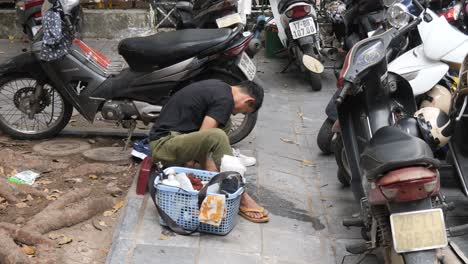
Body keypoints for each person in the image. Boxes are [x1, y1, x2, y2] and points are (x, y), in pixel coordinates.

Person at [149, 79, 269, 223]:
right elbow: (206, 136)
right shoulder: (225, 100)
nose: (236, 113)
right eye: (242, 111)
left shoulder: (221, 87)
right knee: (217, 135)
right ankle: (241, 196)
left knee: (224, 124)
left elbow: (203, 137)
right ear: (249, 100)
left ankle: (206, 165)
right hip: (164, 146)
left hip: (171, 138)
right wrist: (191, 165)